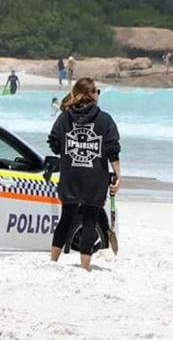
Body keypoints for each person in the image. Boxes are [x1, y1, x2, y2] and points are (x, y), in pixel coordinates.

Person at [47, 78, 121, 271]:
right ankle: (84, 265)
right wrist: (118, 175)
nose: (98, 94)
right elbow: (113, 149)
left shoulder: (64, 118)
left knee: (66, 218)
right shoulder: (105, 120)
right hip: (95, 177)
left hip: (70, 176)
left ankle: (53, 261)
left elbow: (54, 144)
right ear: (91, 94)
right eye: (97, 91)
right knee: (90, 220)